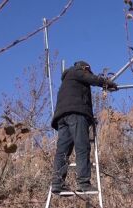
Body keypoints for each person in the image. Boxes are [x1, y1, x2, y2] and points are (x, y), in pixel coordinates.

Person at [51, 61, 118, 195]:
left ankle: (57, 183)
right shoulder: (77, 71)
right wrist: (107, 83)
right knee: (82, 147)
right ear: (85, 68)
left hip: (62, 117)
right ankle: (83, 183)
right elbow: (92, 79)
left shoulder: (67, 81)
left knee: (63, 151)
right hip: (76, 114)